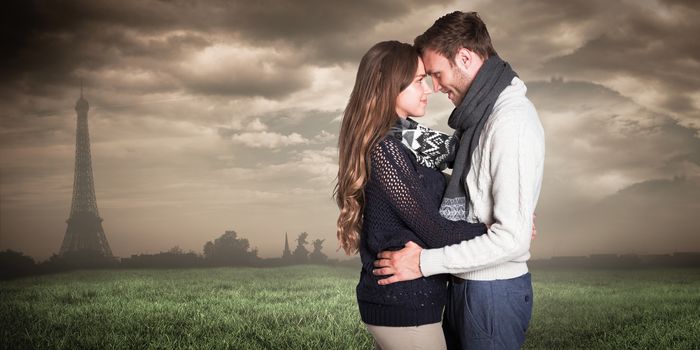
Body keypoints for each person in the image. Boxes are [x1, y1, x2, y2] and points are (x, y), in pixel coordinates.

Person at [372, 12, 545, 350]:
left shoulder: (509, 123)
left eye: (436, 74)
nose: (434, 88)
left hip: (491, 291)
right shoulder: (480, 120)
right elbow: (404, 145)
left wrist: (422, 262)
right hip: (464, 282)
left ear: (465, 57)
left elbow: (511, 239)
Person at [334, 40, 488, 350]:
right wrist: (498, 229)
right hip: (402, 304)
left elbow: (460, 160)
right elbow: (434, 229)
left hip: (409, 302)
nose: (428, 89)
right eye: (418, 80)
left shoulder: (406, 141)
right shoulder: (386, 150)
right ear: (388, 85)